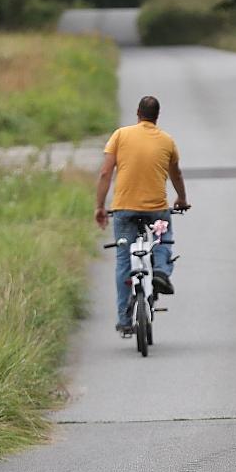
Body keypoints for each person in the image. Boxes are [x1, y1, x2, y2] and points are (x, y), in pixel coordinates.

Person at [95, 95, 190, 333]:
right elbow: (176, 174)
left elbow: (106, 172)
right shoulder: (167, 141)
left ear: (138, 113)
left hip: (124, 209)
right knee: (163, 241)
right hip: (156, 209)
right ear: (157, 116)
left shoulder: (120, 135)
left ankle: (124, 320)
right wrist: (181, 198)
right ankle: (160, 271)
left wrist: (99, 207)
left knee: (123, 262)